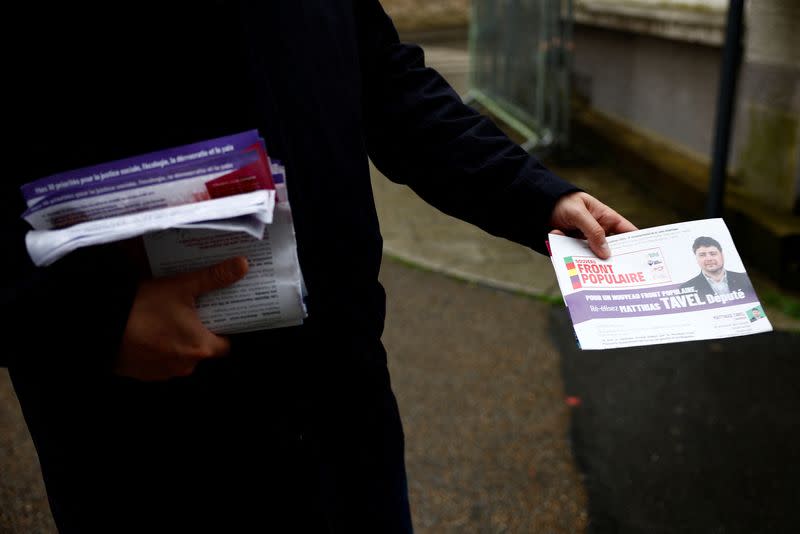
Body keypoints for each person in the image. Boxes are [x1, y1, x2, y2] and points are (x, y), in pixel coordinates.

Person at [2, 3, 635, 533]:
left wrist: (534, 195)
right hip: (145, 426)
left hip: (339, 392)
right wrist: (93, 318)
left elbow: (385, 81)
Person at [681, 236, 752, 299]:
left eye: (713, 254)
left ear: (722, 255)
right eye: (702, 255)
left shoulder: (745, 278)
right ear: (696, 258)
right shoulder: (686, 288)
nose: (709, 258)